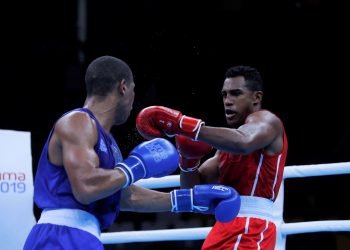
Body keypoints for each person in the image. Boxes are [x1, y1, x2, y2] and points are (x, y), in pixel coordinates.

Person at [23, 55, 241, 249]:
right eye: (134, 91)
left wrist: (188, 199)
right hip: (59, 236)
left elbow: (126, 195)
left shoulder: (108, 143)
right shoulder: (78, 121)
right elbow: (86, 187)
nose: (132, 102)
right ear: (123, 87)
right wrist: (135, 166)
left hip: (83, 236)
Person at [136, 65, 288, 249]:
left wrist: (182, 125)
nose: (228, 101)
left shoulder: (268, 121)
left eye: (236, 93)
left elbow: (244, 142)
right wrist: (187, 161)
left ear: (256, 97)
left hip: (252, 227)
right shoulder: (224, 149)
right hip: (222, 227)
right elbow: (192, 189)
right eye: (224, 95)